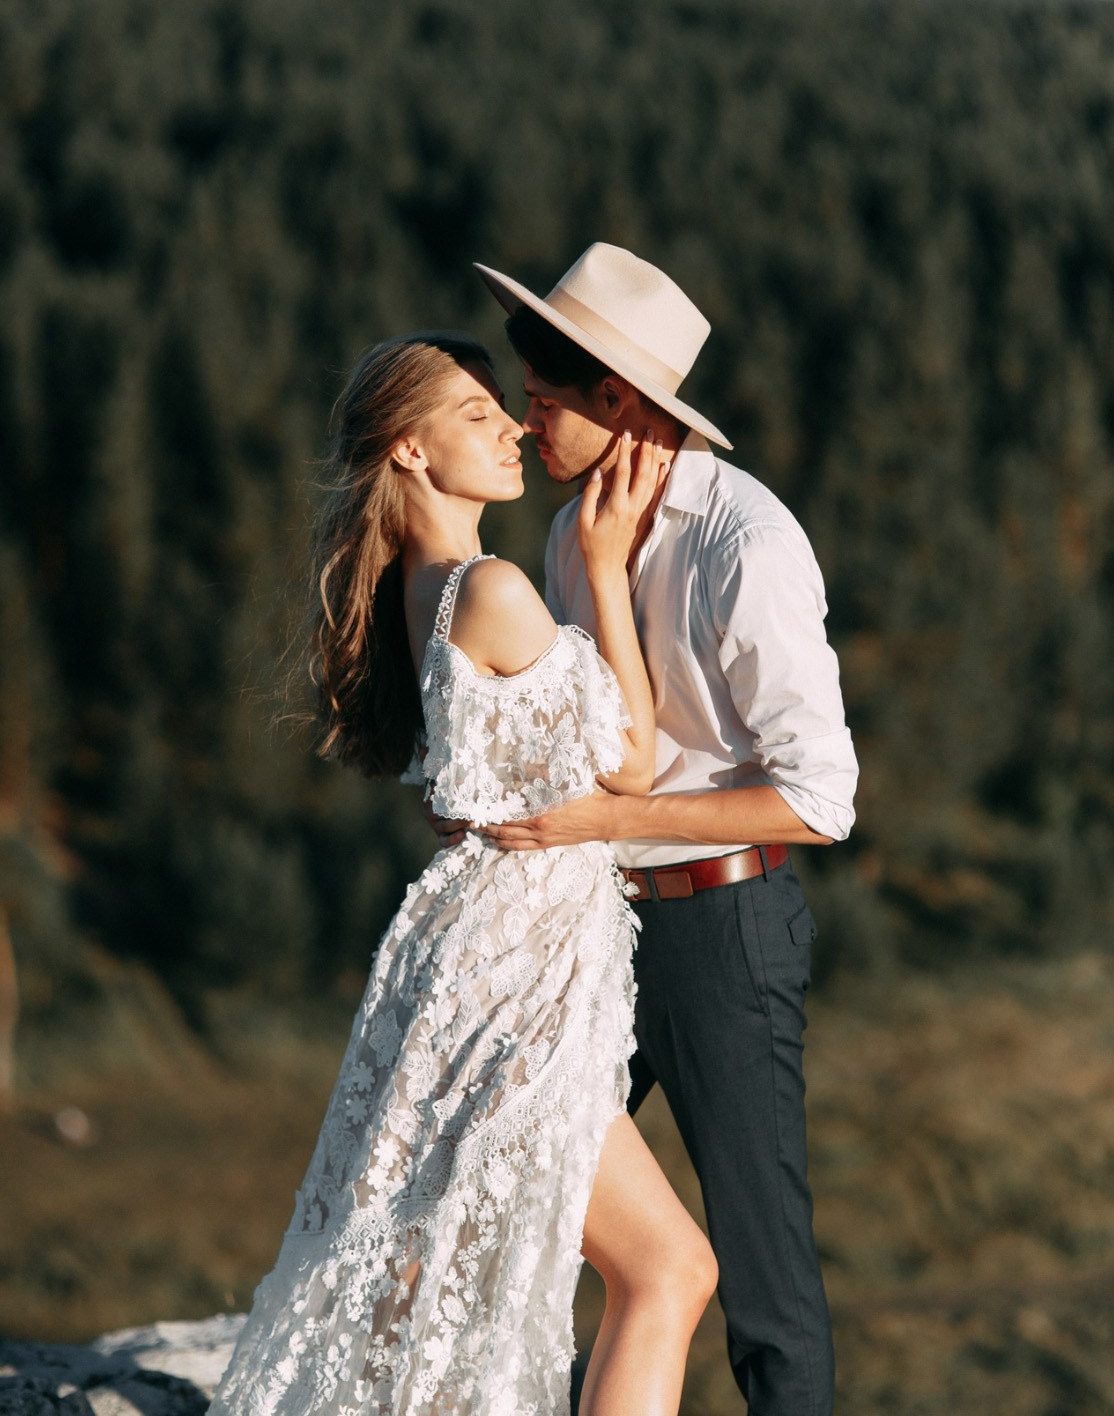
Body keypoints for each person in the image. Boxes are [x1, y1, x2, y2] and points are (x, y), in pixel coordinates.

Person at [208, 331, 717, 1416]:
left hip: (493, 956)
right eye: (474, 416)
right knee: (667, 1269)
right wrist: (607, 567)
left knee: (445, 1269)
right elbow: (628, 761)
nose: (511, 430)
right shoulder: (489, 589)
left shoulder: (421, 587)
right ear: (407, 450)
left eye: (504, 408)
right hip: (516, 980)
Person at [468, 245, 858, 1416]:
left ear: (620, 403)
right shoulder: (561, 540)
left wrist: (610, 817)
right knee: (501, 1195)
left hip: (722, 932)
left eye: (544, 406)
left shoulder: (747, 543)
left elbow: (821, 798)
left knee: (763, 1285)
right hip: (592, 930)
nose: (527, 429)